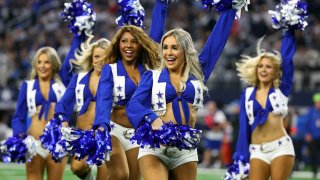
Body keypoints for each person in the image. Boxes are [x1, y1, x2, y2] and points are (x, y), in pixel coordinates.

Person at [126, 7, 237, 180]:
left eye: (174, 48)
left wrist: (230, 10)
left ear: (185, 51)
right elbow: (133, 105)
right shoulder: (153, 76)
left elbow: (216, 43)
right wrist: (152, 118)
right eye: (165, 48)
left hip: (185, 150)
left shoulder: (198, 74)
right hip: (155, 147)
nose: (168, 53)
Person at [93, 25, 161, 180]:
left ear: (140, 45)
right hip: (113, 130)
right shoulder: (110, 69)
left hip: (138, 133)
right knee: (120, 174)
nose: (128, 46)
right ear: (118, 45)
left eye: (134, 41)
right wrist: (102, 125)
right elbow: (103, 100)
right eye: (124, 41)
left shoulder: (149, 71)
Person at [232, 28, 297, 180]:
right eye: (260, 66)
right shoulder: (247, 94)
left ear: (275, 71)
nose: (264, 70)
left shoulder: (281, 90)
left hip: (281, 148)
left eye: (268, 67)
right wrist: (241, 158)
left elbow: (287, 61)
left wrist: (289, 31)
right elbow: (244, 128)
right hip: (257, 150)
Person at [54, 36, 110, 180]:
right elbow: (63, 103)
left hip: (107, 135)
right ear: (92, 58)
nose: (100, 61)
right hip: (83, 134)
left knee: (104, 176)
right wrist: (63, 119)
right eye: (97, 56)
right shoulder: (79, 79)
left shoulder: (116, 79)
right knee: (77, 167)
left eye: (105, 57)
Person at [11, 47, 68, 180]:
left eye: (46, 62)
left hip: (57, 144)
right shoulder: (28, 86)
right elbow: (18, 117)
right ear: (35, 64)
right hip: (34, 145)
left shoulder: (62, 85)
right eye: (39, 62)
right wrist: (19, 136)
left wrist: (79, 34)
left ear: (53, 64)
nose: (42, 66)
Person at [201, 100, 227, 168]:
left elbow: (223, 124)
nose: (210, 107)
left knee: (219, 150)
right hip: (210, 134)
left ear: (214, 106)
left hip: (218, 135)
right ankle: (206, 162)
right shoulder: (206, 113)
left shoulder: (219, 113)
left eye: (211, 106)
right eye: (209, 106)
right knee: (207, 149)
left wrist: (215, 126)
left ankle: (219, 163)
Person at [304, 92, 320, 179]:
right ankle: (314, 171)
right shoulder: (311, 112)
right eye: (318, 103)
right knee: (313, 155)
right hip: (313, 138)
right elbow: (307, 124)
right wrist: (307, 134)